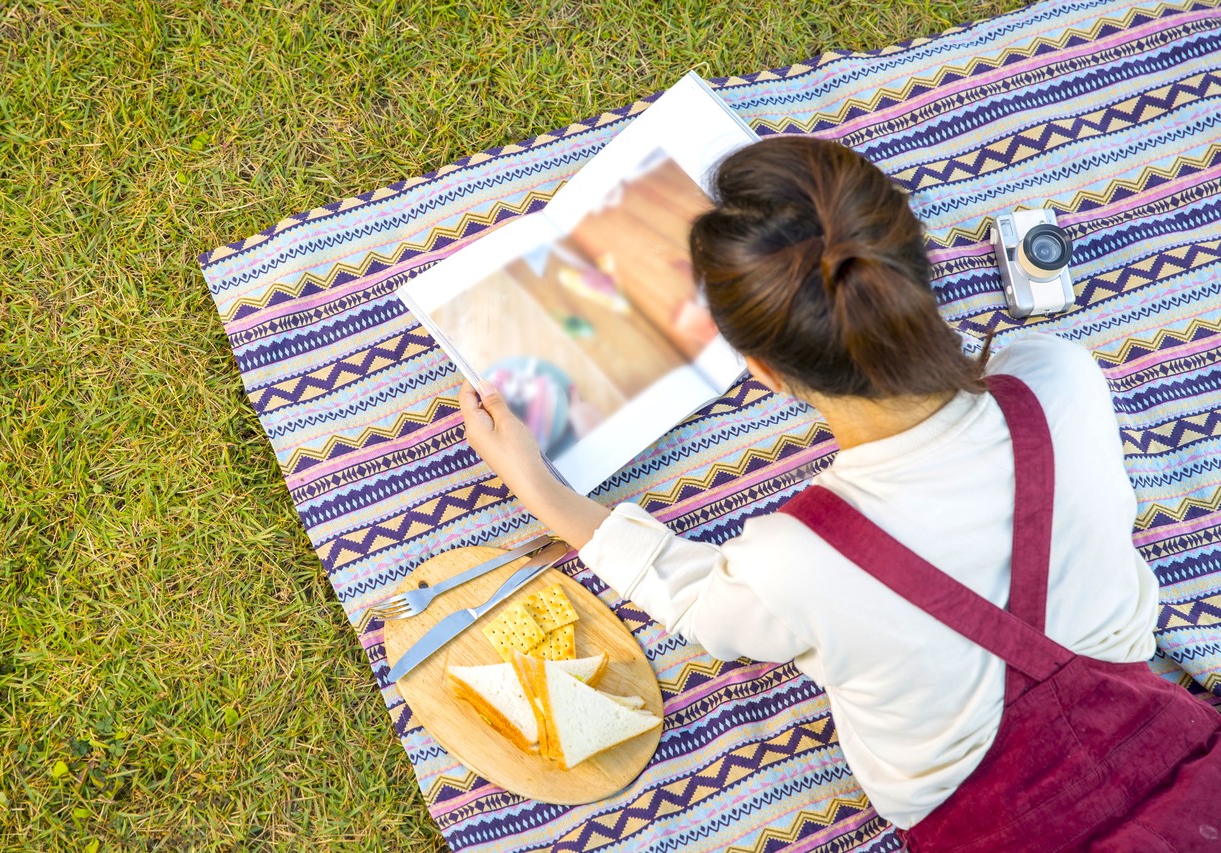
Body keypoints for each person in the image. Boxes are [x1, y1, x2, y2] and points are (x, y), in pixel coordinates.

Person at [457, 136, 1221, 850]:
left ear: (763, 371)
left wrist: (543, 491)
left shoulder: (795, 558)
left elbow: (696, 601)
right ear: (918, 273)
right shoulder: (1058, 377)